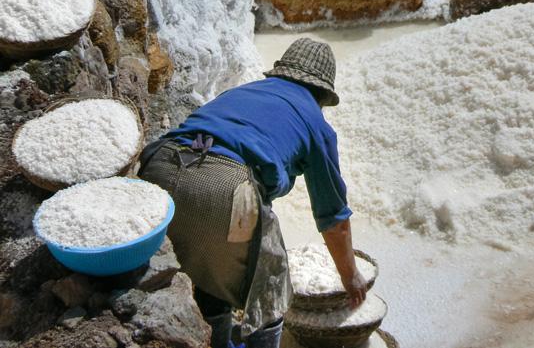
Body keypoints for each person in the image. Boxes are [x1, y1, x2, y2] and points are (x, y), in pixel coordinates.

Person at [138, 38, 367, 348]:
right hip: (226, 186)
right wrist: (350, 276)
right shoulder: (315, 123)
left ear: (279, 75)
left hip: (158, 168)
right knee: (269, 292)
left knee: (209, 275)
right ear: (323, 94)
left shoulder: (239, 93)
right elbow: (333, 219)